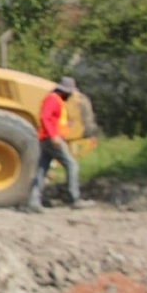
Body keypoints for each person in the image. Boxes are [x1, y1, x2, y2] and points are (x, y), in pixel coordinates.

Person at [27, 76, 94, 212]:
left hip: (46, 139)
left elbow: (53, 119)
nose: (70, 95)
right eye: (70, 92)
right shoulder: (53, 99)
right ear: (66, 91)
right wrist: (54, 137)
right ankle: (74, 198)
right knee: (71, 165)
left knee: (41, 169)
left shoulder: (55, 100)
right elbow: (45, 117)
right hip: (52, 140)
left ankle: (33, 202)